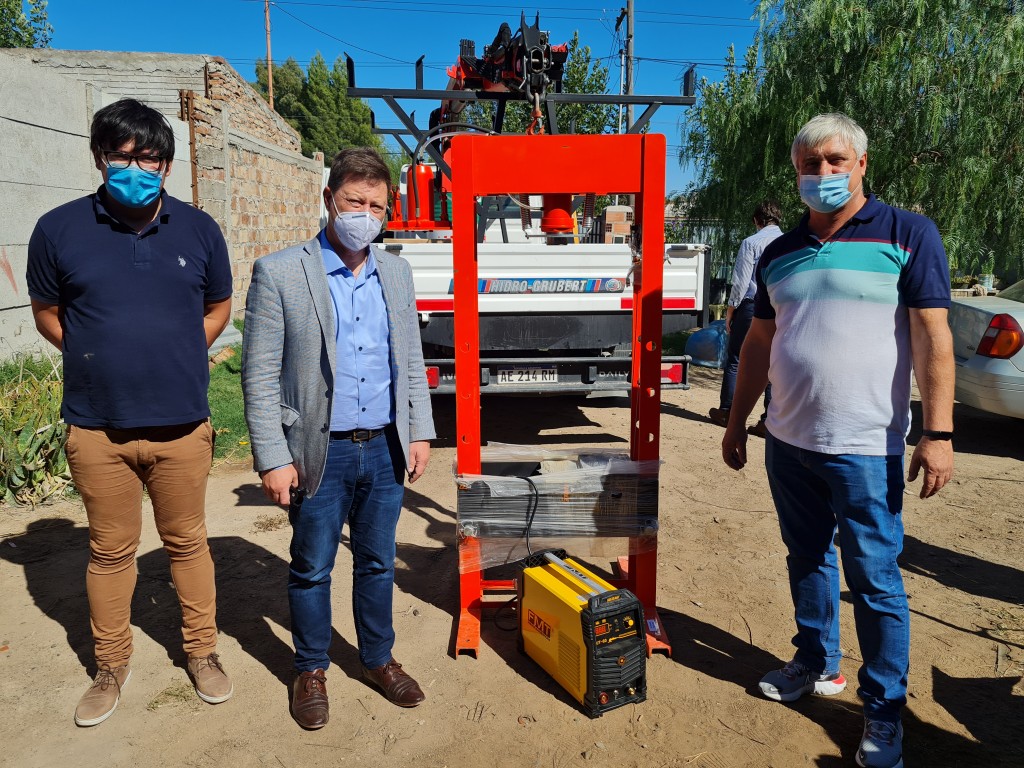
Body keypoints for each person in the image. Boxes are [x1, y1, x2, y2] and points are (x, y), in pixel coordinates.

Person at [721, 113, 954, 768]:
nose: (821, 173)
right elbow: (760, 341)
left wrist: (937, 432)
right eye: (809, 164)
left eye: (834, 161)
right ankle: (816, 662)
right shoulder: (779, 252)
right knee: (807, 558)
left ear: (861, 165)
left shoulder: (907, 234)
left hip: (866, 447)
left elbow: (933, 337)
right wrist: (738, 421)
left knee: (875, 579)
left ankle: (883, 711)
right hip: (787, 439)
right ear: (796, 172)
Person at [26, 98, 234, 727]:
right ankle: (110, 665)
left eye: (148, 158)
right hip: (98, 428)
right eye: (121, 157)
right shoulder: (57, 229)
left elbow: (219, 306)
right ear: (99, 158)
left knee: (187, 543)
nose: (135, 169)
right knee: (110, 552)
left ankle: (201, 652)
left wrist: (180, 350)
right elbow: (47, 312)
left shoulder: (200, 230)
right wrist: (97, 355)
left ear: (167, 164)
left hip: (182, 427)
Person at [241, 146, 436, 730]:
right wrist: (272, 457)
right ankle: (310, 669)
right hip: (318, 452)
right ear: (329, 199)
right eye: (355, 201)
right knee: (312, 566)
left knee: (377, 561)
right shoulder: (281, 272)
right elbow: (258, 373)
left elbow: (411, 359)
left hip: (384, 446)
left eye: (377, 206)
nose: (365, 215)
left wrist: (420, 431)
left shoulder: (396, 273)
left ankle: (378, 658)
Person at [707, 201, 783, 436]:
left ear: (756, 221)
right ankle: (768, 421)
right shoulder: (789, 243)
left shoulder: (751, 243)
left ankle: (727, 411)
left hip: (753, 306)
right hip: (781, 308)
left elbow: (741, 282)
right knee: (774, 361)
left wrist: (731, 310)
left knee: (736, 358)